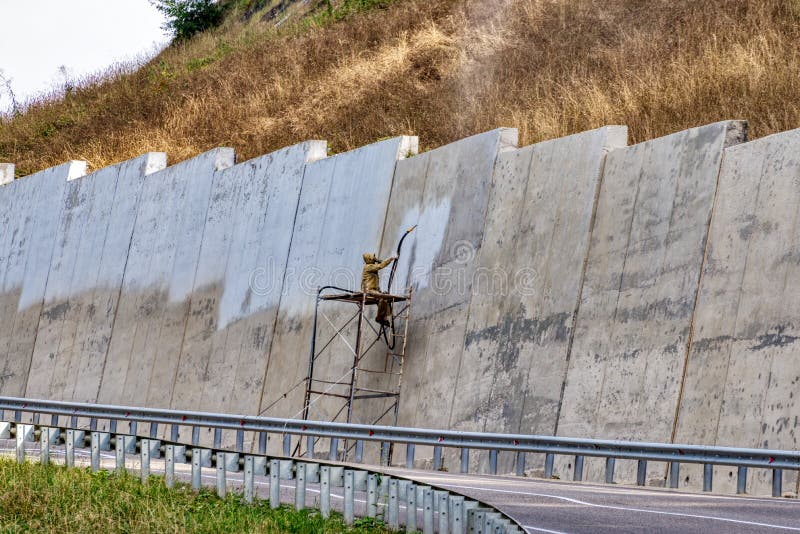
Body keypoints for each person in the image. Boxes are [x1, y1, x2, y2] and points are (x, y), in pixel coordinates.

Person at [361, 253, 397, 326]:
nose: (374, 258)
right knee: (382, 297)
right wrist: (391, 259)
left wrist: (377, 260)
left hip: (375, 290)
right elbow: (381, 265)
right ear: (369, 259)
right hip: (368, 290)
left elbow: (381, 262)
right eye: (373, 257)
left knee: (385, 297)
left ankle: (384, 318)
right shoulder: (368, 267)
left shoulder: (372, 266)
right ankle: (380, 318)